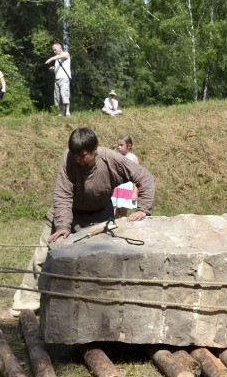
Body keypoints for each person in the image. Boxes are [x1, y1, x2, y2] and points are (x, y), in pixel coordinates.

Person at [9, 127, 156, 316]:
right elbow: (62, 195)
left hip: (98, 218)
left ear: (95, 149)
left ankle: (91, 307)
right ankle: (22, 307)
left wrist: (143, 208)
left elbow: (145, 178)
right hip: (65, 215)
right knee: (41, 259)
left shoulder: (112, 159)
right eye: (75, 155)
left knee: (96, 264)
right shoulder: (68, 159)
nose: (78, 159)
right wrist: (62, 226)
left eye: (83, 155)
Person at [112, 134, 140, 219]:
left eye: (121, 145)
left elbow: (137, 177)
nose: (119, 147)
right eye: (118, 145)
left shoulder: (133, 158)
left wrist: (135, 193)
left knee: (123, 212)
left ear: (129, 146)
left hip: (126, 188)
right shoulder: (117, 156)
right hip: (117, 187)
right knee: (113, 211)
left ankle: (123, 230)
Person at [45, 43, 71, 117]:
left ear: (60, 48)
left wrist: (51, 58)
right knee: (57, 97)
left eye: (55, 49)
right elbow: (58, 68)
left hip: (64, 78)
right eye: (53, 50)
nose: (54, 51)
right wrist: (53, 69)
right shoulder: (57, 59)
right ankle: (61, 112)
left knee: (64, 94)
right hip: (57, 79)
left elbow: (62, 56)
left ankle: (67, 112)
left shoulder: (66, 54)